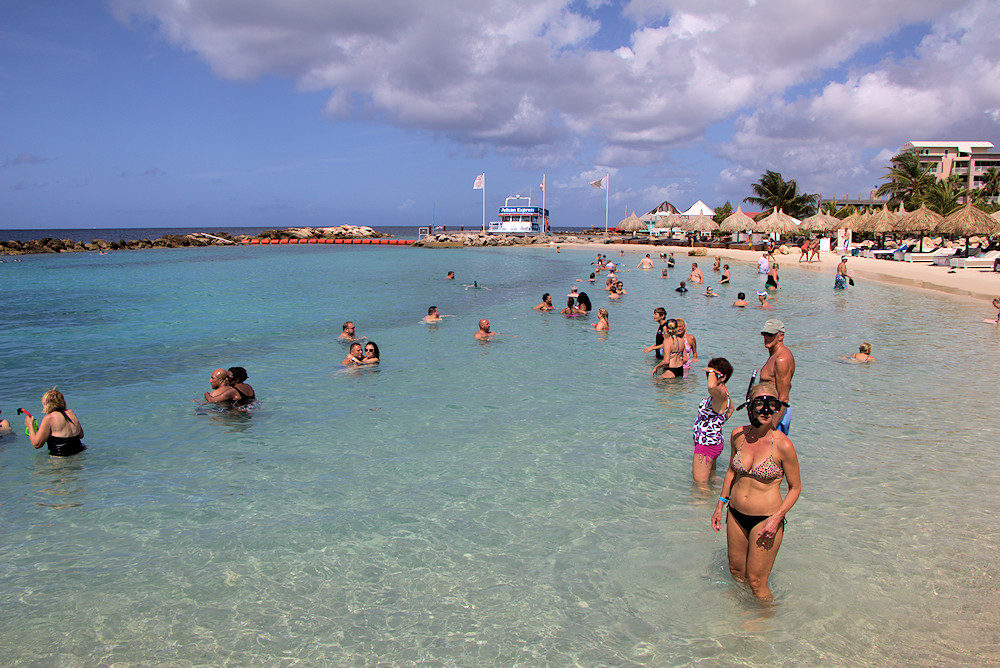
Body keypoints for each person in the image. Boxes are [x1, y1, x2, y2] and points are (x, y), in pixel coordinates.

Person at [711, 382, 801, 601]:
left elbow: (795, 488)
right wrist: (720, 504)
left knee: (757, 582)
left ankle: (766, 629)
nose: (766, 410)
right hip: (736, 515)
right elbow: (732, 471)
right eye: (760, 404)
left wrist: (777, 518)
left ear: (779, 407)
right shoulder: (738, 435)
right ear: (750, 405)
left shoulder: (783, 445)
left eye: (772, 404)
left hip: (766, 520)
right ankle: (739, 615)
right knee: (736, 573)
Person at [693, 358, 735, 483]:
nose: (708, 377)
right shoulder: (723, 395)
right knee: (711, 480)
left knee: (700, 486)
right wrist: (718, 422)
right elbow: (731, 408)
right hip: (712, 441)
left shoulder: (720, 394)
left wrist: (711, 371)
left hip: (706, 446)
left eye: (712, 374)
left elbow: (711, 387)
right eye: (708, 374)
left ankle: (706, 502)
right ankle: (716, 497)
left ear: (723, 377)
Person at [25, 387, 86, 457]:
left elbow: (36, 444)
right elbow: (81, 435)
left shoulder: (49, 418)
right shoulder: (70, 412)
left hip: (61, 457)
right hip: (79, 452)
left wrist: (30, 425)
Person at [759, 319, 795, 435]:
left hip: (776, 413)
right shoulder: (774, 356)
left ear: (781, 336)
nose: (766, 337)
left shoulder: (781, 359)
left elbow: (784, 398)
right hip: (768, 411)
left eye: (771, 334)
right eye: (765, 334)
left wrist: (771, 427)